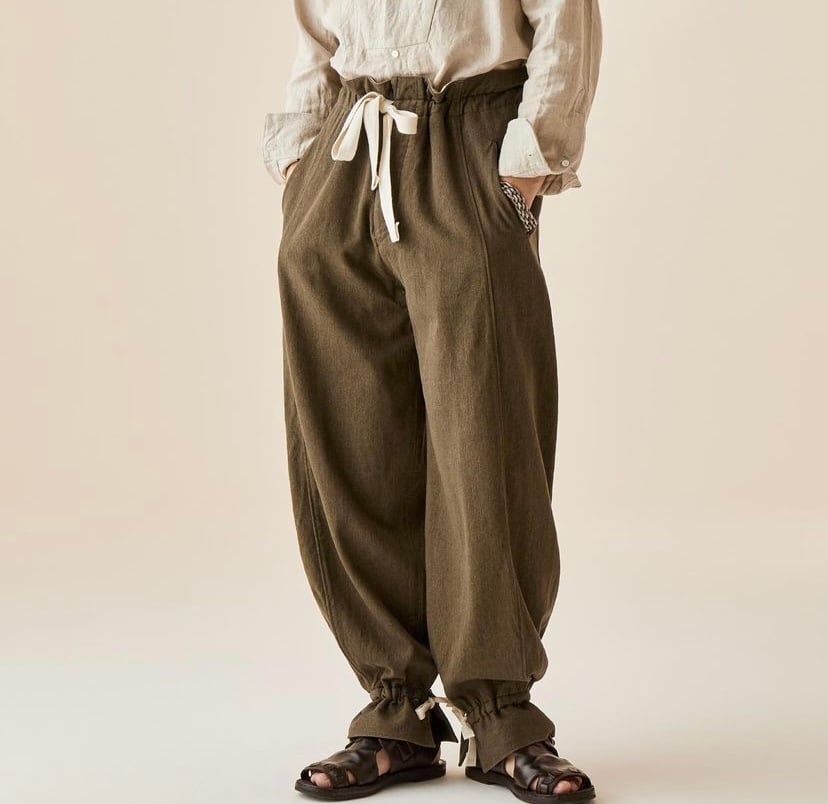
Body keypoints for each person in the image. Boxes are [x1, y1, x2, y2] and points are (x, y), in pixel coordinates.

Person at [262, 1, 602, 801]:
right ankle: (396, 713)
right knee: (352, 439)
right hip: (346, 150)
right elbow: (316, 33)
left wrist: (525, 165)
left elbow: (566, 19)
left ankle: (501, 717)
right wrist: (300, 166)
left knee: (485, 437)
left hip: (467, 140)